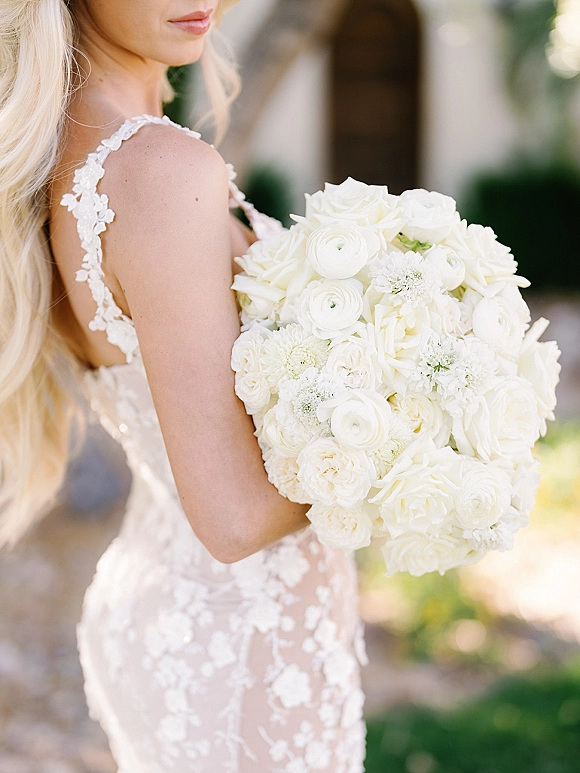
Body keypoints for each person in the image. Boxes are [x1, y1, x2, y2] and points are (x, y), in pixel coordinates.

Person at [0, 0, 368, 769]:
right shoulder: (159, 170)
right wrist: (414, 417)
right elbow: (232, 517)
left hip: (177, 608)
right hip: (244, 639)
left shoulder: (70, 153)